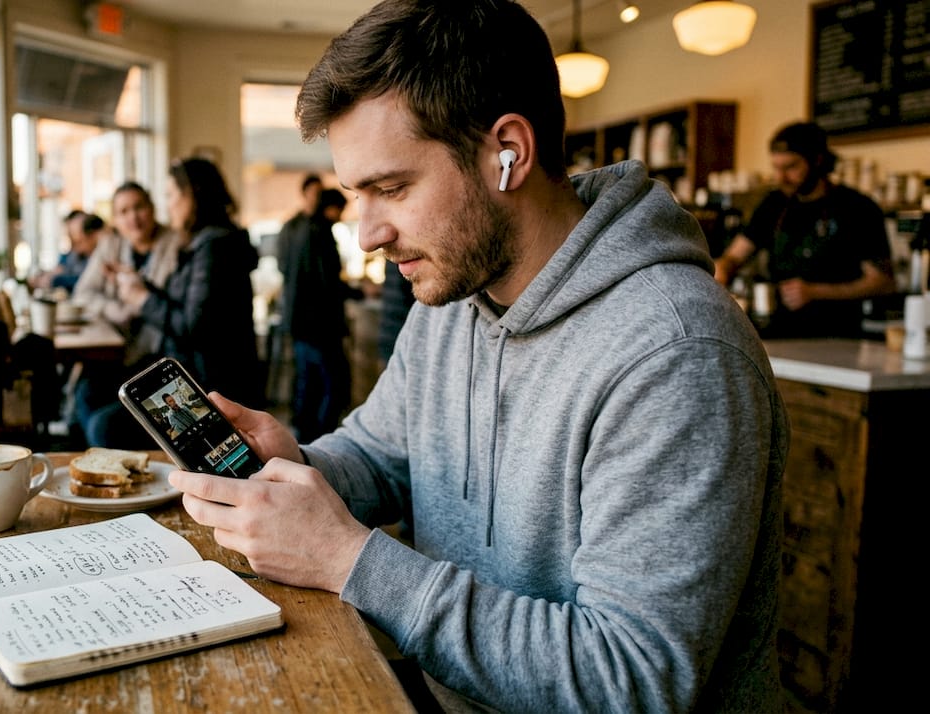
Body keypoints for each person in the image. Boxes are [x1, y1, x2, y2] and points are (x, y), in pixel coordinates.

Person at [165, 2, 788, 712]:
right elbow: (382, 453)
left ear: (509, 154)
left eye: (391, 188)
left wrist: (349, 560)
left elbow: (632, 679)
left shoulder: (676, 352)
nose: (366, 234)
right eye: (354, 194)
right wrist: (304, 464)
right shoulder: (454, 296)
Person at [712, 121, 896, 338]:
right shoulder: (773, 204)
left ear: (817, 160)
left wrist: (814, 291)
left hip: (837, 335)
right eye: (776, 168)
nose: (781, 177)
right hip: (777, 330)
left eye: (790, 167)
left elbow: (882, 282)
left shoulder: (857, 207)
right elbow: (735, 255)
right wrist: (722, 270)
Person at [114, 157, 264, 408]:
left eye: (172, 195)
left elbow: (192, 328)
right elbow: (187, 305)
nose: (168, 204)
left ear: (193, 195)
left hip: (209, 389)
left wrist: (142, 299)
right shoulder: (205, 242)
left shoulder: (214, 247)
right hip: (192, 375)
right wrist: (141, 285)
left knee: (102, 423)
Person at [66, 182, 183, 448]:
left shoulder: (175, 243)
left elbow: (171, 306)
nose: (133, 217)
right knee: (84, 391)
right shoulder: (111, 245)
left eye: (139, 207)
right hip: (117, 354)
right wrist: (121, 309)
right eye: (124, 211)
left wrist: (138, 296)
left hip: (156, 356)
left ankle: (109, 455)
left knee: (101, 422)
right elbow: (83, 293)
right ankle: (101, 457)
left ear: (152, 209)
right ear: (116, 220)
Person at [280, 187, 362, 442]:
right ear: (331, 208)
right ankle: (325, 441)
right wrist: (359, 292)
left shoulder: (299, 230)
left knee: (308, 385)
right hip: (321, 327)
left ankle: (305, 441)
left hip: (300, 325)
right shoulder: (322, 234)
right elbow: (329, 284)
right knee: (334, 387)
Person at [32, 210, 105, 294]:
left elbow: (83, 282)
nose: (75, 246)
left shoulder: (98, 255)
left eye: (79, 241)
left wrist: (54, 280)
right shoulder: (76, 255)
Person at [275, 173, 323, 273]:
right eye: (314, 192)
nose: (317, 197)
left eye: (320, 193)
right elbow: (282, 262)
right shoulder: (291, 226)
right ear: (305, 193)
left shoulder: (322, 225)